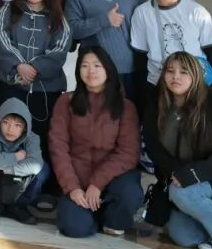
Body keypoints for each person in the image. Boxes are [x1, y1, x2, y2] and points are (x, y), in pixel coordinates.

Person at [142, 52, 212, 249]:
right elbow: (153, 146)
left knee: (182, 194)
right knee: (185, 237)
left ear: (196, 75)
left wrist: (191, 174)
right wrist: (177, 172)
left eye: (184, 72)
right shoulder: (157, 102)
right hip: (178, 177)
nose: (175, 76)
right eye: (170, 71)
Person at [49, 46, 142, 238]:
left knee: (130, 192)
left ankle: (111, 218)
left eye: (97, 66)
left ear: (108, 69)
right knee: (76, 229)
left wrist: (97, 184)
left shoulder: (126, 107)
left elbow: (128, 153)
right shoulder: (66, 102)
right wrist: (72, 188)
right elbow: (58, 148)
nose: (91, 71)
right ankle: (89, 214)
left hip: (112, 181)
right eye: (85, 66)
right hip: (78, 182)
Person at [0, 0, 71, 156]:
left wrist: (34, 68)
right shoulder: (6, 11)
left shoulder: (59, 17)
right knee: (9, 135)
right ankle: (8, 171)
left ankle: (41, 172)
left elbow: (59, 50)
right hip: (12, 85)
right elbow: (3, 42)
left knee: (43, 137)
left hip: (45, 89)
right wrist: (20, 66)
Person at [131, 0, 212, 99]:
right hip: (157, 84)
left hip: (194, 85)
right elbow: (140, 55)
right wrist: (142, 90)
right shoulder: (142, 12)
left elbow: (210, 49)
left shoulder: (196, 11)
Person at [65, 0, 147, 101]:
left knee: (129, 114)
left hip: (129, 69)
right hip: (93, 72)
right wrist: (104, 20)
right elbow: (72, 30)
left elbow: (147, 24)